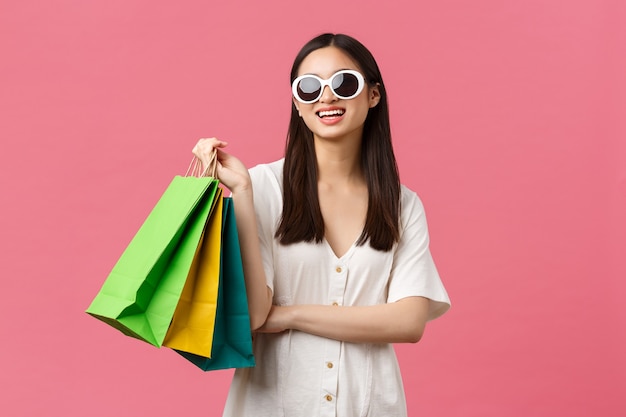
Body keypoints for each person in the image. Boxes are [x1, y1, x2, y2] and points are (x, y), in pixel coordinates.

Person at [192, 33, 450, 417]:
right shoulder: (263, 188)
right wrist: (242, 193)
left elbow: (409, 322)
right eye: (309, 87)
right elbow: (258, 315)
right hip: (273, 405)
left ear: (373, 95)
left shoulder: (402, 204)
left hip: (369, 405)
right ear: (297, 104)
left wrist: (292, 314)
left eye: (344, 82)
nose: (326, 97)